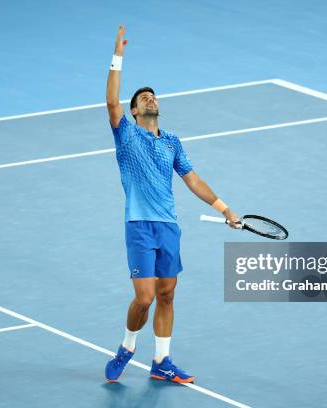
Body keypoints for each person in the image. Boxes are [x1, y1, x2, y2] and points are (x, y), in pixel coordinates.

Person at [104, 25, 240, 383]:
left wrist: (224, 209)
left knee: (166, 295)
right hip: (139, 226)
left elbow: (192, 179)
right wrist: (117, 57)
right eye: (143, 98)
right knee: (145, 298)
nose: (150, 98)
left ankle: (161, 361)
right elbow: (110, 102)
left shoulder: (173, 142)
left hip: (168, 227)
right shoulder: (126, 134)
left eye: (153, 95)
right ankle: (128, 346)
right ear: (133, 111)